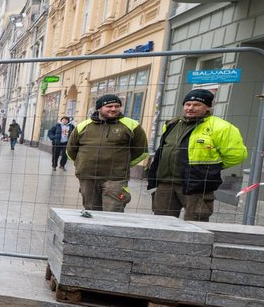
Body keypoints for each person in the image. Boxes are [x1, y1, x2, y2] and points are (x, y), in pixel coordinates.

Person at [147, 89, 247, 222]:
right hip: (166, 183)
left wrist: (211, 168)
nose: (190, 108)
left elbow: (237, 155)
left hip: (196, 185)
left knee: (196, 223)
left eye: (196, 105)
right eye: (187, 104)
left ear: (208, 107)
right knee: (161, 223)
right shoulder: (172, 124)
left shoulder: (222, 127)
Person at [66, 94, 148, 212]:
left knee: (113, 213)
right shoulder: (83, 126)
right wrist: (82, 164)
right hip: (88, 177)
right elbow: (70, 151)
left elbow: (142, 151)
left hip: (115, 179)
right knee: (91, 212)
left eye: (117, 106)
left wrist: (123, 165)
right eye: (109, 106)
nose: (113, 109)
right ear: (99, 108)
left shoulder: (132, 125)